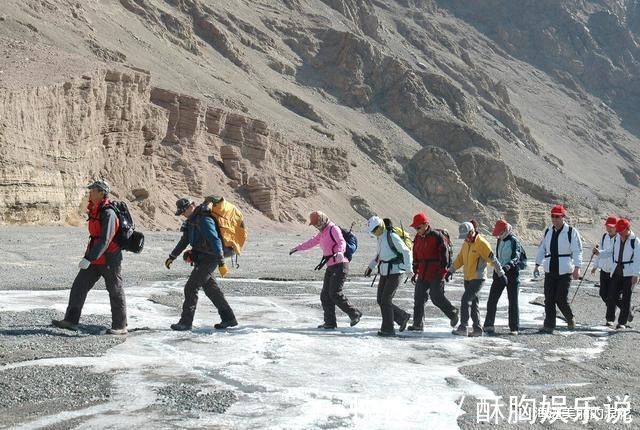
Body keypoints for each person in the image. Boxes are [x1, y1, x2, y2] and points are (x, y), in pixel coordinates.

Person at [52, 180, 128, 335]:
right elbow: (96, 238)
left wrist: (89, 258)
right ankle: (71, 321)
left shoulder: (109, 212)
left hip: (109, 259)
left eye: (93, 190)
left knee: (115, 290)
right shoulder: (96, 210)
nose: (90, 192)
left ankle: (120, 326)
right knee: (79, 287)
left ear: (101, 193)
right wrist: (90, 257)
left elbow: (105, 240)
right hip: (95, 258)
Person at [164, 197, 236, 331]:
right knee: (211, 290)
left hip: (211, 258)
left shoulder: (204, 219)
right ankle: (229, 318)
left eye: (183, 211)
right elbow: (184, 240)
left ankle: (186, 322)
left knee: (191, 287)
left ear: (191, 206)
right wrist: (172, 256)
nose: (183, 214)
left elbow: (215, 240)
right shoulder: (191, 221)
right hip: (202, 257)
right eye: (181, 212)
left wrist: (221, 262)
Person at [290, 211, 362, 329]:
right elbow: (312, 242)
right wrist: (297, 248)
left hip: (340, 264)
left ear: (323, 219)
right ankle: (330, 322)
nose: (316, 225)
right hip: (331, 266)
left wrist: (339, 252)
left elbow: (341, 242)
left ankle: (354, 313)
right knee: (325, 295)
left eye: (317, 223)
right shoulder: (323, 232)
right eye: (315, 224)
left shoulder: (333, 228)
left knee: (335, 293)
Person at [448, 220, 505, 337]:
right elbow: (460, 259)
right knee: (473, 303)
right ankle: (478, 329)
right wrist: (450, 271)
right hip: (468, 278)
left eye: (467, 236)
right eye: (464, 237)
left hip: (478, 278)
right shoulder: (465, 243)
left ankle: (463, 327)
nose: (466, 239)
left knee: (465, 300)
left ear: (472, 232)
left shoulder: (482, 243)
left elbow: (492, 259)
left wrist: (501, 274)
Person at [533, 204, 583, 334]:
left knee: (560, 298)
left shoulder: (571, 232)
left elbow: (577, 251)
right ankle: (549, 325)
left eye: (557, 216)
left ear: (563, 217)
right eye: (552, 216)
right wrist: (537, 265)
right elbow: (542, 249)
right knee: (549, 298)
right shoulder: (548, 231)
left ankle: (570, 318)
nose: (554, 219)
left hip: (565, 270)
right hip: (550, 269)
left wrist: (577, 267)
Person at [408, 212, 459, 331]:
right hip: (423, 272)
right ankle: (418, 324)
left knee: (436, 297)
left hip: (436, 272)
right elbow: (415, 254)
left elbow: (444, 256)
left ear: (425, 225)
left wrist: (442, 273)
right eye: (415, 228)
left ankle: (453, 313)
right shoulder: (417, 238)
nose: (416, 230)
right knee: (419, 297)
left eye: (418, 227)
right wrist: (415, 270)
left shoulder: (437, 236)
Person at [364, 216, 412, 337]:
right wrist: (371, 266)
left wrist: (409, 269)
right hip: (385, 272)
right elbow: (379, 255)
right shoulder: (380, 238)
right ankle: (402, 317)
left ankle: (388, 329)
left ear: (381, 226)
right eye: (373, 231)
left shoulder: (392, 236)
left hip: (396, 271)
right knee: (380, 300)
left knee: (385, 300)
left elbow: (406, 251)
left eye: (376, 229)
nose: (375, 232)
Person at [593, 218, 639, 329]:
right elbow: (610, 251)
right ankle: (609, 319)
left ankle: (622, 323)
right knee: (611, 295)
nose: (620, 234)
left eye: (622, 232)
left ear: (628, 229)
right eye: (619, 231)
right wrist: (600, 253)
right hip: (616, 271)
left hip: (629, 273)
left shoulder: (635, 241)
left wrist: (636, 274)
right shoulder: (617, 238)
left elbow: (638, 259)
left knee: (626, 297)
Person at [483, 219, 522, 335]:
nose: (498, 235)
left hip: (512, 274)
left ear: (505, 230)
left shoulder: (514, 241)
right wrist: (498, 268)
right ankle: (489, 325)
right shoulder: (499, 240)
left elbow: (516, 257)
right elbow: (498, 256)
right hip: (499, 272)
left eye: (500, 233)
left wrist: (508, 266)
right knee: (492, 299)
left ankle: (514, 328)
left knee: (513, 301)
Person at [590, 216, 628, 323]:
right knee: (603, 294)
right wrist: (595, 266)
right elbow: (600, 252)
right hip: (604, 270)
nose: (609, 228)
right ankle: (626, 308)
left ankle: (610, 318)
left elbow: (609, 252)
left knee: (612, 296)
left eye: (612, 227)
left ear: (616, 227)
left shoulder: (619, 239)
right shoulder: (604, 237)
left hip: (614, 271)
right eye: (608, 226)